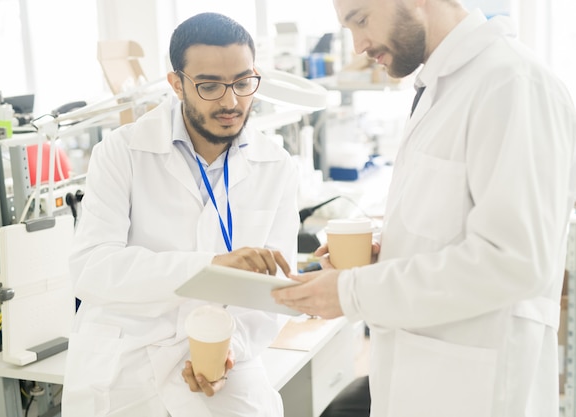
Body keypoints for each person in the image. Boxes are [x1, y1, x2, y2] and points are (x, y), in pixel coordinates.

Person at [274, 1, 576, 417]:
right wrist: (388, 251)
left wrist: (352, 292)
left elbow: (517, 262)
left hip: (480, 394)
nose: (358, 45)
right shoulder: (440, 88)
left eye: (360, 20)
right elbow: (449, 228)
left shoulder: (513, 84)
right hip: (423, 385)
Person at [61, 12, 299, 417]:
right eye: (209, 86)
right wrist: (211, 267)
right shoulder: (123, 152)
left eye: (243, 83)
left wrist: (226, 352)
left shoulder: (275, 164)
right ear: (176, 84)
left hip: (222, 364)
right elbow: (93, 268)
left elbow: (273, 291)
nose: (230, 101)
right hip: (125, 370)